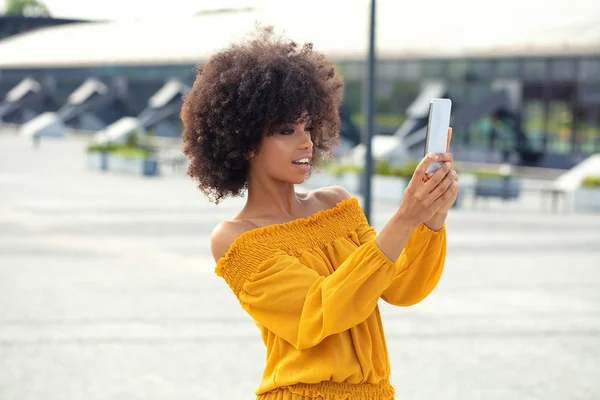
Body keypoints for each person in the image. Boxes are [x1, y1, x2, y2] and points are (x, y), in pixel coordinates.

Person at [180, 26, 459, 400]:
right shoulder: (235, 239)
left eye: (308, 126)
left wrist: (431, 217)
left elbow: (400, 289)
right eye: (286, 130)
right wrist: (405, 218)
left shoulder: (336, 204)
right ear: (244, 141)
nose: (306, 141)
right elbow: (320, 312)